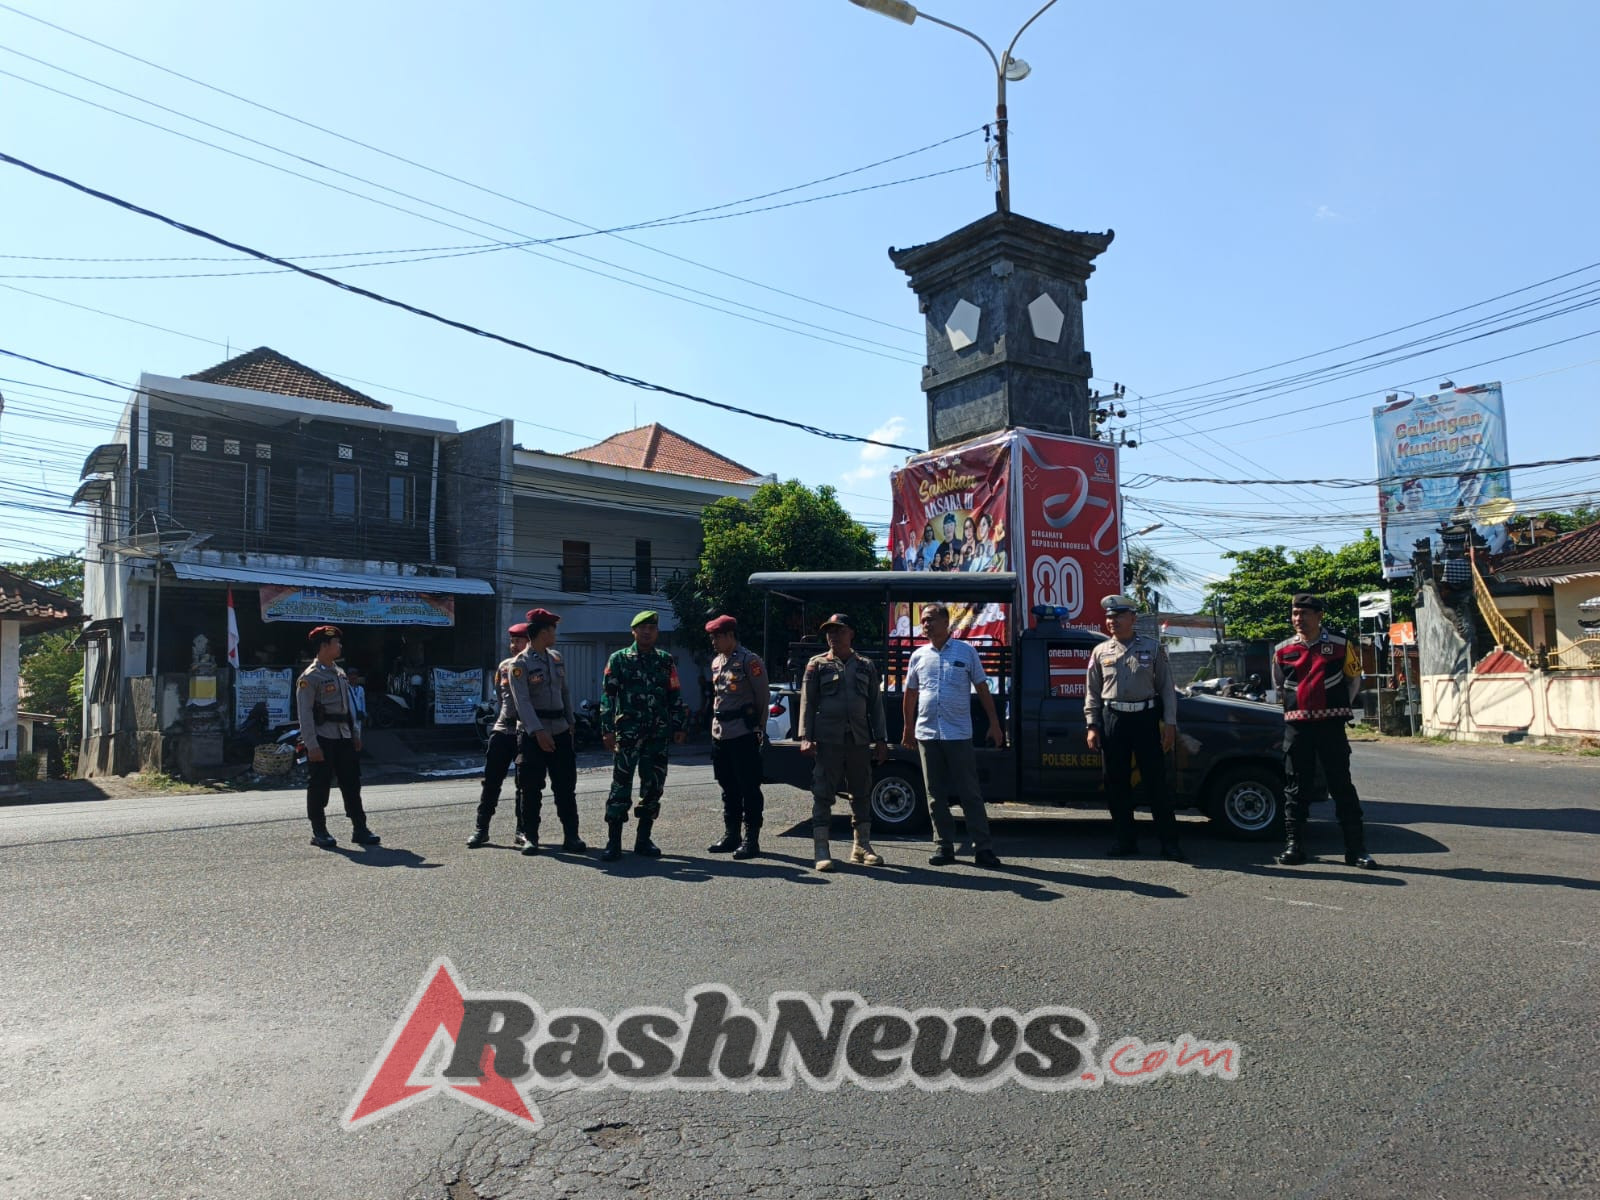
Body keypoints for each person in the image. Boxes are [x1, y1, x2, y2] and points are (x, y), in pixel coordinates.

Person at [1272, 593, 1378, 869]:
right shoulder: (1282, 650)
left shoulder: (1341, 645)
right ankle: (1294, 846)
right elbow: (1280, 686)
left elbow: (1353, 680)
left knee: (1342, 786)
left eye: (1304, 614)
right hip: (1297, 728)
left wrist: (1338, 707)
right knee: (1295, 787)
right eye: (1295, 613)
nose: (1298, 619)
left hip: (1331, 727)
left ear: (1319, 616)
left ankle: (1356, 850)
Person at [900, 602, 1005, 868]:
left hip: (958, 734)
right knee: (935, 795)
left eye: (931, 619)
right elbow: (910, 693)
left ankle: (983, 848)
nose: (926, 624)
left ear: (946, 622)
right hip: (927, 733)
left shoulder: (965, 651)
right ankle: (944, 846)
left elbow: (982, 688)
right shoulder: (918, 656)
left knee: (970, 793)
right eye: (923, 620)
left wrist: (994, 723)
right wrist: (908, 727)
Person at [1084, 595, 1182, 860]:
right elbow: (1092, 691)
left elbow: (1166, 688)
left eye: (1118, 616)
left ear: (1132, 618)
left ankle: (1169, 843)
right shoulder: (1100, 651)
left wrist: (1170, 723)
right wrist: (1092, 724)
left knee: (1156, 782)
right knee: (1116, 783)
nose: (1112, 621)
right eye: (1109, 617)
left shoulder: (1152, 648)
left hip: (1146, 719)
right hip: (1113, 719)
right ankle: (1125, 841)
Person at [798, 613, 889, 871]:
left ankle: (862, 846)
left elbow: (875, 705)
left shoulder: (865, 665)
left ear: (851, 634)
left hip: (858, 739)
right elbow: (808, 702)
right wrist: (806, 736)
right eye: (830, 631)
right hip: (828, 740)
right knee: (823, 793)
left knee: (861, 792)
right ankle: (821, 849)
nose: (833, 635)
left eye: (839, 630)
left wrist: (881, 739)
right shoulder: (817, 664)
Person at [599, 610, 689, 861]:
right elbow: (608, 696)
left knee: (653, 786)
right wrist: (607, 729)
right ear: (634, 631)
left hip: (657, 735)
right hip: (627, 734)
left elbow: (674, 694)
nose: (647, 632)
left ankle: (643, 839)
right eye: (642, 628)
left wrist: (679, 726)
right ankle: (614, 842)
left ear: (657, 632)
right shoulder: (619, 659)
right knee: (621, 786)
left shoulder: (665, 660)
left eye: (652, 628)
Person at [507, 608, 586, 856]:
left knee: (565, 786)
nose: (555, 634)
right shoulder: (520, 664)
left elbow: (564, 692)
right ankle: (531, 837)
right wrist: (538, 732)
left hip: (560, 729)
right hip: (533, 734)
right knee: (531, 788)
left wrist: (571, 721)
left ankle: (571, 836)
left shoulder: (556, 658)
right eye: (553, 630)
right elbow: (522, 702)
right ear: (543, 632)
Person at [296, 625, 379, 849]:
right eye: (336, 643)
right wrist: (312, 745)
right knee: (319, 785)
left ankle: (360, 828)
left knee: (352, 783)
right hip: (323, 737)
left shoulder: (340, 673)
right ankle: (319, 831)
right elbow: (305, 714)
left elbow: (349, 707)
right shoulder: (310, 677)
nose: (340, 646)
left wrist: (355, 734)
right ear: (324, 646)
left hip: (344, 736)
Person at [704, 615, 770, 859]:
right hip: (720, 733)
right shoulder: (716, 662)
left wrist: (759, 728)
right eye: (712, 637)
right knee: (727, 786)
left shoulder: (749, 661)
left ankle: (751, 839)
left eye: (717, 637)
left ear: (730, 635)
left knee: (749, 787)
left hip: (743, 732)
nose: (713, 641)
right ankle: (732, 835)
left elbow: (762, 695)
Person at [467, 622, 532, 849]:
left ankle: (522, 830)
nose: (514, 645)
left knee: (524, 784)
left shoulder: (537, 666)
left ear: (529, 642)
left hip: (526, 731)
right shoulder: (504, 666)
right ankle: (481, 829)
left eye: (518, 641)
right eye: (512, 641)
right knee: (491, 782)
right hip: (503, 729)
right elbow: (500, 696)